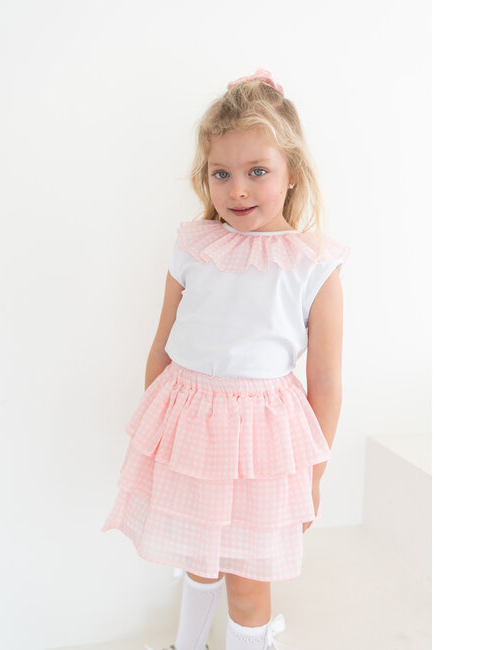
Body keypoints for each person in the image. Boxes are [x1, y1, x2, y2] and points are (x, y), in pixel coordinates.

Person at [100, 67, 351, 650]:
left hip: (264, 449)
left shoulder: (313, 265)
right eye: (222, 173)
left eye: (257, 171)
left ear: (292, 172)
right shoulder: (194, 247)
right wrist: (154, 440)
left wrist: (312, 477)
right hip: (191, 437)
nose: (237, 190)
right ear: (205, 176)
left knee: (248, 582)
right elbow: (162, 345)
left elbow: (326, 381)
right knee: (199, 561)